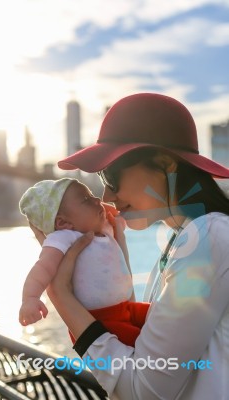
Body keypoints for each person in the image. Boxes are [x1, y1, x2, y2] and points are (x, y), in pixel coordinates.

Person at [31, 93, 229, 400]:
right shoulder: (189, 238)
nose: (107, 195)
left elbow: (144, 391)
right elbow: (144, 345)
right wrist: (117, 251)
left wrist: (61, 296)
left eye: (111, 175)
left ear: (165, 164)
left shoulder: (208, 238)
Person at [18, 178, 150, 346]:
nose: (97, 200)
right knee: (142, 344)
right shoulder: (64, 237)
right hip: (99, 320)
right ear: (63, 222)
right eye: (86, 199)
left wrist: (99, 210)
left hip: (126, 309)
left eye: (93, 196)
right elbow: (43, 268)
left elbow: (118, 216)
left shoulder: (103, 229)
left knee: (163, 318)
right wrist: (30, 298)